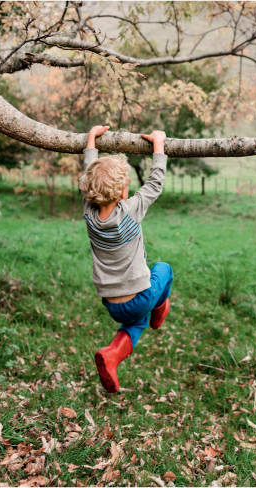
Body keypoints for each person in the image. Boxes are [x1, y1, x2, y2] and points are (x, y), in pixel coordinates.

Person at [79, 125, 173, 393]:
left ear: (89, 191)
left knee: (134, 323)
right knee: (164, 269)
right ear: (122, 193)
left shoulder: (89, 214)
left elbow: (89, 172)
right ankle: (159, 309)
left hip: (112, 305)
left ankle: (111, 355)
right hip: (140, 298)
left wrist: (90, 140)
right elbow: (155, 183)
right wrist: (158, 144)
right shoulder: (131, 210)